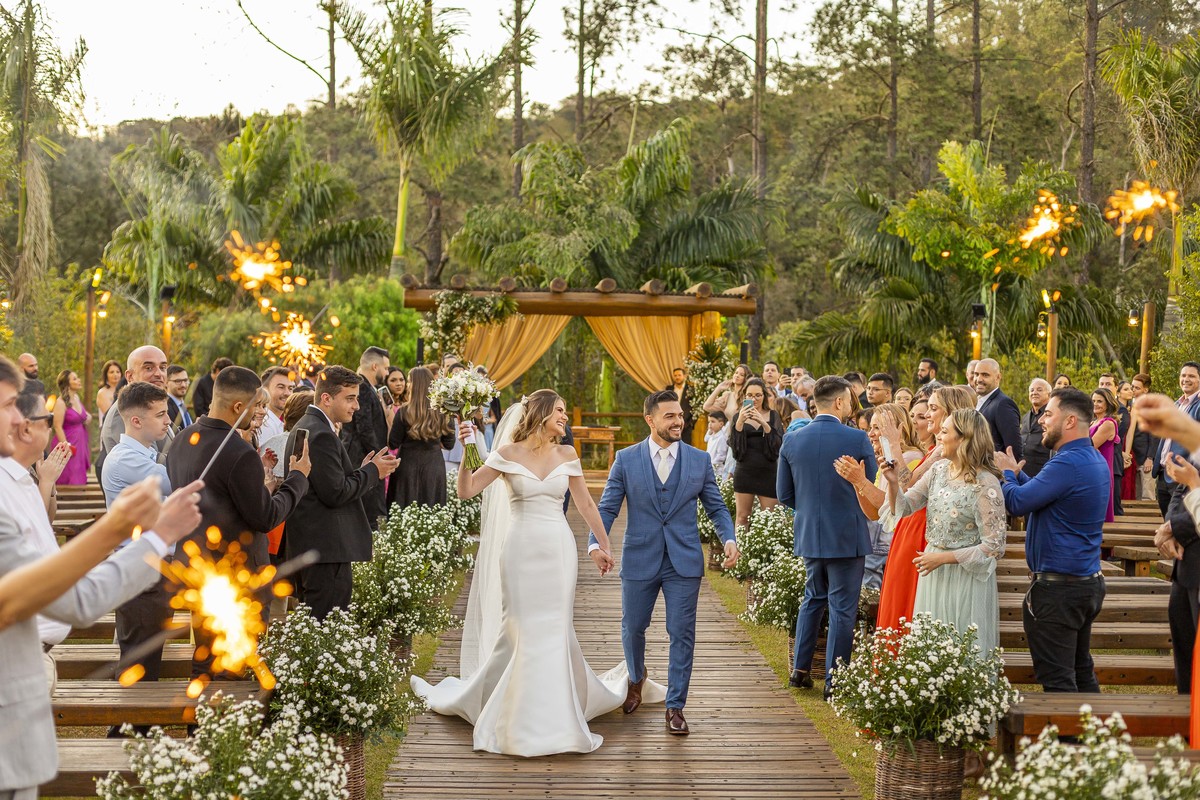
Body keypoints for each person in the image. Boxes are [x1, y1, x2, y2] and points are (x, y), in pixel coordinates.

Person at [0, 382, 201, 800]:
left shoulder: (17, 483)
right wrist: (150, 533)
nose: (22, 422)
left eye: (26, 413)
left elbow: (47, 562)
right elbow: (78, 600)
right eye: (12, 409)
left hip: (30, 666)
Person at [588, 388, 738, 736]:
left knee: (682, 633)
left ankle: (676, 706)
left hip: (684, 561)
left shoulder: (699, 460)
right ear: (650, 419)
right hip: (640, 556)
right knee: (633, 627)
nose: (678, 421)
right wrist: (597, 543)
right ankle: (636, 680)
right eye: (669, 416)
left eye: (681, 415)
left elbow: (716, 506)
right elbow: (608, 507)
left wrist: (728, 537)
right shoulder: (626, 459)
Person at [166, 366, 311, 679]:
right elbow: (265, 516)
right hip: (238, 574)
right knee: (238, 662)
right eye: (256, 406)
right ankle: (231, 727)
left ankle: (199, 727)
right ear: (237, 407)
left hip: (198, 567)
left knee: (205, 656)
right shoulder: (238, 451)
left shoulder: (181, 441)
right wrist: (297, 479)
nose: (259, 412)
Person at [994, 387, 1108, 693]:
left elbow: (1017, 504)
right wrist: (1017, 476)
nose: (1042, 420)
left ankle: (1069, 740)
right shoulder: (1090, 458)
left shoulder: (1065, 463)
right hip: (1084, 582)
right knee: (1081, 670)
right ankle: (1092, 739)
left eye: (1049, 413)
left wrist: (1005, 474)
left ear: (1069, 421)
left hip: (1060, 590)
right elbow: (1043, 495)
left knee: (1058, 679)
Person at [777, 375, 876, 695]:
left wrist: (809, 510)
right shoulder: (857, 439)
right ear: (838, 402)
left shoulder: (792, 440)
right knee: (842, 608)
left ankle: (800, 670)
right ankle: (835, 681)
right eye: (848, 401)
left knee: (812, 600)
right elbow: (870, 487)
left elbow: (784, 494)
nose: (851, 406)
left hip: (809, 532)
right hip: (847, 534)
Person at [882, 408, 1006, 656]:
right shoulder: (938, 471)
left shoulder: (985, 483)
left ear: (964, 438)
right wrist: (894, 483)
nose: (938, 435)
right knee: (930, 647)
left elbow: (994, 546)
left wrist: (943, 558)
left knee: (962, 645)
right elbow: (905, 508)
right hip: (933, 570)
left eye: (945, 431)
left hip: (965, 577)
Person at [283, 365, 397, 619]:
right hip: (325, 549)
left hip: (315, 547)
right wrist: (372, 473)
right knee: (327, 625)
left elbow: (328, 482)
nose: (356, 406)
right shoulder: (320, 433)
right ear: (326, 398)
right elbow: (335, 493)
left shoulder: (310, 426)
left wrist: (364, 469)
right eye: (350, 398)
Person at [100, 381, 176, 699]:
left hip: (152, 569)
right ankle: (124, 737)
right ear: (135, 421)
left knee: (148, 664)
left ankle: (138, 734)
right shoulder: (125, 460)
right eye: (160, 415)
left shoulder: (144, 454)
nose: (168, 420)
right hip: (139, 574)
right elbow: (177, 482)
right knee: (139, 668)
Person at [0, 392, 72, 690]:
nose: (53, 426)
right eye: (49, 419)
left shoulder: (22, 479)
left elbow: (43, 528)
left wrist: (46, 482)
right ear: (25, 427)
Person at [97, 346, 172, 479]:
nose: (159, 374)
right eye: (149, 368)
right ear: (130, 376)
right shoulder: (123, 413)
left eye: (163, 367)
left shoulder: (154, 406)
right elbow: (150, 465)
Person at [387, 366, 456, 509]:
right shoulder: (443, 411)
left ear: (414, 385)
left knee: (404, 511)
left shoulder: (404, 412)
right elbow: (449, 444)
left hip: (407, 465)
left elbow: (393, 443)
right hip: (433, 465)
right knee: (432, 510)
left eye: (409, 381)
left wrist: (388, 418)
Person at [340, 347, 391, 527]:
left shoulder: (368, 388)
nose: (387, 373)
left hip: (364, 456)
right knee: (369, 514)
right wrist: (380, 457)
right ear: (375, 366)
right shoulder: (362, 388)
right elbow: (364, 428)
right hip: (361, 457)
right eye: (385, 368)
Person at [728, 377, 783, 529]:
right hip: (745, 471)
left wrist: (763, 423)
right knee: (742, 517)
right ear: (744, 396)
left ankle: (768, 553)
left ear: (764, 396)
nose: (754, 399)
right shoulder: (736, 417)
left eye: (758, 395)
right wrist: (740, 422)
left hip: (768, 472)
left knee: (770, 519)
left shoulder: (773, 416)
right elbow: (735, 449)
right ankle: (738, 552)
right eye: (750, 395)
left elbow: (778, 446)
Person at [1152, 362, 1200, 515]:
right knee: (1167, 525)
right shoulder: (1175, 404)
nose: (1186, 379)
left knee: (1177, 528)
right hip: (1162, 475)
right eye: (1183, 375)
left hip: (1182, 477)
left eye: (1191, 376)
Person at [973, 358, 1023, 461]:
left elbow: (1013, 451)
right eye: (976, 374)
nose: (979, 379)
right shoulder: (977, 402)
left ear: (998, 377)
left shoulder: (1003, 404)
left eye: (985, 375)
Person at [50, 369, 91, 486]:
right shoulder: (60, 402)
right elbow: (57, 426)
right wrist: (66, 446)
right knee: (69, 476)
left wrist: (87, 418)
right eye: (75, 378)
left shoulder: (77, 398)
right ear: (67, 383)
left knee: (79, 474)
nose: (78, 380)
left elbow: (81, 415)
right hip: (68, 441)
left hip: (81, 441)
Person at [1090, 388, 1121, 523]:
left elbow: (1090, 445)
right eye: (1093, 401)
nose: (1095, 404)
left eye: (1099, 401)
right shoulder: (1092, 422)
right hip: (1089, 468)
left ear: (1108, 403)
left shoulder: (1108, 423)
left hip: (1100, 471)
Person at [1130, 373, 1158, 501]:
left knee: (1147, 496)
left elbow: (1155, 434)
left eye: (1137, 388)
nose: (1133, 390)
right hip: (1131, 458)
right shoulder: (1129, 405)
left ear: (1145, 390)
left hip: (1145, 459)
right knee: (1134, 496)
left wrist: (1150, 458)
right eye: (1132, 387)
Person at [1021, 378, 1053, 477]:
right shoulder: (1025, 416)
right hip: (1024, 471)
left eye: (1039, 390)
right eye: (1032, 390)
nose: (1034, 393)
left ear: (1049, 394)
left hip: (1043, 471)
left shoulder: (1052, 415)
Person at [259, 366, 293, 443]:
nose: (287, 393)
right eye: (281, 387)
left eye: (290, 388)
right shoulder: (264, 424)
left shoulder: (278, 422)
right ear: (265, 390)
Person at [1118, 381, 1138, 501]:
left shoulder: (1133, 409)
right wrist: (1119, 452)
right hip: (1115, 444)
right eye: (1126, 389)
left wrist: (1127, 453)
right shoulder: (1114, 407)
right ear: (1118, 392)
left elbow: (1131, 433)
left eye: (1130, 389)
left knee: (1128, 479)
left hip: (1127, 446)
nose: (1130, 391)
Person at [666, 367, 695, 445]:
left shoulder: (690, 389)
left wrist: (690, 424)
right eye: (675, 375)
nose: (677, 377)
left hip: (686, 425)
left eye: (679, 375)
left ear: (684, 376)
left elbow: (695, 407)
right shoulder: (669, 389)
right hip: (671, 425)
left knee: (685, 448)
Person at [704, 410, 732, 480]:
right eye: (709, 422)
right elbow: (705, 439)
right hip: (709, 468)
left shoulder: (721, 438)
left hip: (717, 471)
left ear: (721, 424)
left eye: (712, 422)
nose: (709, 424)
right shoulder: (711, 437)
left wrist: (711, 465)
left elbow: (721, 456)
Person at [164, 365, 192, 434]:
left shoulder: (182, 406)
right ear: (166, 383)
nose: (183, 385)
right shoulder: (165, 407)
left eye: (185, 380)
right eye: (178, 381)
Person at [96, 359, 123, 426]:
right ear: (106, 375)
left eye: (118, 372)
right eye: (111, 372)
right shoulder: (102, 392)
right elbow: (111, 415)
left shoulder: (125, 389)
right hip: (109, 428)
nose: (115, 374)